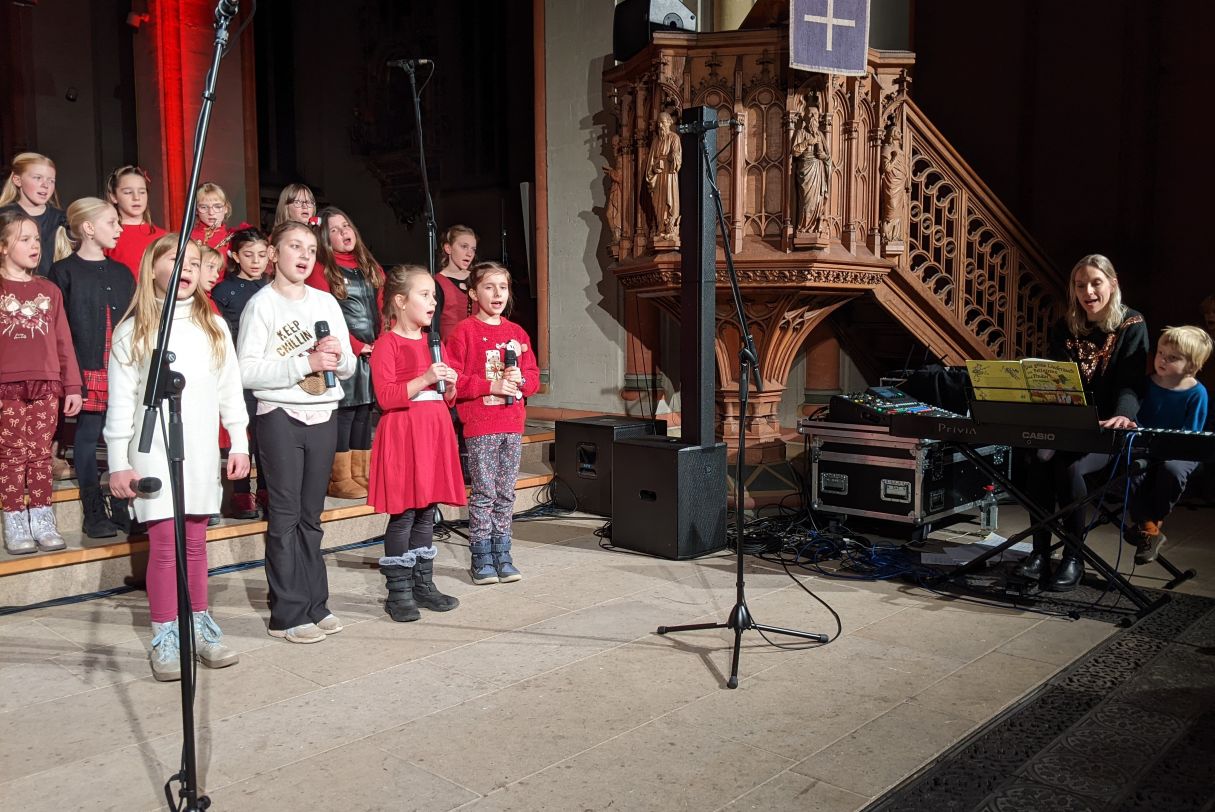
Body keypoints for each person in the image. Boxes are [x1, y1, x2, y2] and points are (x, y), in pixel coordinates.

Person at [104, 234, 248, 679]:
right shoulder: (134, 331)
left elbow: (230, 388)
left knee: (196, 542)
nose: (186, 268)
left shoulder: (213, 326)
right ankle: (166, 635)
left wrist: (239, 441)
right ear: (152, 269)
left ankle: (198, 625)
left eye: (193, 262)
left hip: (199, 447)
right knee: (166, 544)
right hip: (152, 449)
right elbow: (121, 402)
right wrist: (118, 461)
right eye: (175, 259)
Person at [237, 221, 356, 644]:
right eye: (294, 246)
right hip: (280, 418)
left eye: (310, 248)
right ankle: (286, 613)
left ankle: (315, 604)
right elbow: (245, 370)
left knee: (311, 516)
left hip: (323, 415)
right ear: (274, 253)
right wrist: (304, 364)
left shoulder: (325, 302)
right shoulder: (261, 305)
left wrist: (338, 357)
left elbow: (349, 366)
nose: (304, 255)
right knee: (285, 517)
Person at [1016, 254, 1150, 591]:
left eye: (1095, 283)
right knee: (1037, 458)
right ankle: (1039, 552)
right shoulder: (1066, 326)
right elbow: (1056, 379)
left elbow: (1131, 382)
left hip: (1109, 426)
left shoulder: (1132, 324)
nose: (1087, 291)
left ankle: (1073, 556)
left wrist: (1122, 414)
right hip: (1070, 422)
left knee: (1069, 466)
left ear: (1112, 284)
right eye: (1080, 285)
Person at [367, 265, 463, 621]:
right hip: (404, 433)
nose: (432, 302)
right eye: (424, 295)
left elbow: (447, 396)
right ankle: (399, 592)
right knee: (405, 513)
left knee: (426, 512)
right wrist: (424, 378)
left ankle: (423, 584)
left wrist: (450, 385)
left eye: (434, 296)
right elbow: (386, 396)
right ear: (400, 301)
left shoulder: (433, 344)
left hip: (433, 430)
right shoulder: (386, 344)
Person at [447, 261, 540, 584]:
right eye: (489, 287)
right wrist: (492, 385)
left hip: (511, 423)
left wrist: (521, 379)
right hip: (481, 424)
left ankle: (503, 552)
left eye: (503, 287)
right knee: (485, 492)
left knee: (506, 493)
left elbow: (533, 376)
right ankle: (481, 556)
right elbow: (454, 380)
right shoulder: (464, 332)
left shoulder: (516, 333)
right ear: (474, 293)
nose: (497, 293)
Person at [47, 198, 135, 538]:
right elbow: (60, 329)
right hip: (87, 365)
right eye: (112, 222)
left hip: (122, 366)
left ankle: (123, 503)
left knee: (123, 434)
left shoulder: (122, 272)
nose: (119, 228)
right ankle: (93, 508)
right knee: (87, 434)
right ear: (87, 228)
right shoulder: (64, 271)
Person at [0, 210, 82, 554]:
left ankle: (42, 517)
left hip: (46, 384)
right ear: (3, 247)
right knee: (11, 455)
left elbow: (63, 340)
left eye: (36, 238)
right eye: (24, 239)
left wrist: (72, 385)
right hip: (7, 385)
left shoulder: (48, 290)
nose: (35, 245)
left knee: (40, 454)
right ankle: (14, 519)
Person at [307, 207, 383, 499]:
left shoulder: (369, 265)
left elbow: (384, 304)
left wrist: (383, 341)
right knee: (346, 413)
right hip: (346, 352)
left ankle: (360, 472)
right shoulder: (321, 269)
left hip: (372, 351)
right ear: (325, 239)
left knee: (364, 411)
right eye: (334, 230)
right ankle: (339, 478)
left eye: (346, 226)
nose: (343, 233)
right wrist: (355, 345)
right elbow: (325, 316)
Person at [1125, 325, 1211, 564]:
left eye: (1173, 358)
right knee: (1133, 469)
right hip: (1147, 446)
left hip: (1180, 451)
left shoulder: (1197, 393)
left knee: (1171, 470)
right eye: (1161, 353)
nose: (1162, 360)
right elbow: (1135, 418)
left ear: (1191, 366)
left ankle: (1150, 524)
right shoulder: (1147, 384)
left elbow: (1191, 436)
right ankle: (1150, 529)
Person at [212, 227, 271, 518]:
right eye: (248, 255)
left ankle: (266, 489)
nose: (256, 261)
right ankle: (240, 491)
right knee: (243, 433)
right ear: (235, 256)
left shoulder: (272, 287)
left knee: (266, 433)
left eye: (261, 254)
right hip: (237, 370)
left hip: (268, 370)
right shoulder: (224, 291)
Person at [0, 152, 71, 276]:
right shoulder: (5, 216)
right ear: (17, 180)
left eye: (51, 180)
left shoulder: (61, 218)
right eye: (37, 178)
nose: (45, 185)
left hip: (52, 284)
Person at [104, 165, 166, 278]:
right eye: (128, 192)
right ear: (114, 197)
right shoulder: (106, 236)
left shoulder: (163, 237)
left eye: (142, 192)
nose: (136, 197)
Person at [435, 225, 478, 340]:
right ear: (448, 248)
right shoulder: (437, 282)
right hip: (450, 345)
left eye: (473, 249)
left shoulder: (478, 279)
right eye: (464, 247)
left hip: (477, 343)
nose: (469, 253)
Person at [645, 112, 681, 241]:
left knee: (668, 200)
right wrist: (654, 167)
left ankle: (670, 229)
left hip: (669, 175)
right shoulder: (656, 141)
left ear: (669, 123)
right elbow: (651, 162)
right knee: (657, 203)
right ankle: (660, 228)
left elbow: (677, 157)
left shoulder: (674, 137)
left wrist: (671, 158)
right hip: (658, 177)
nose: (660, 125)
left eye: (663, 122)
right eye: (659, 123)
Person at [189, 182, 236, 256]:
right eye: (204, 207)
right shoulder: (189, 238)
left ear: (226, 208)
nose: (211, 212)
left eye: (217, 207)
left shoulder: (234, 239)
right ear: (196, 210)